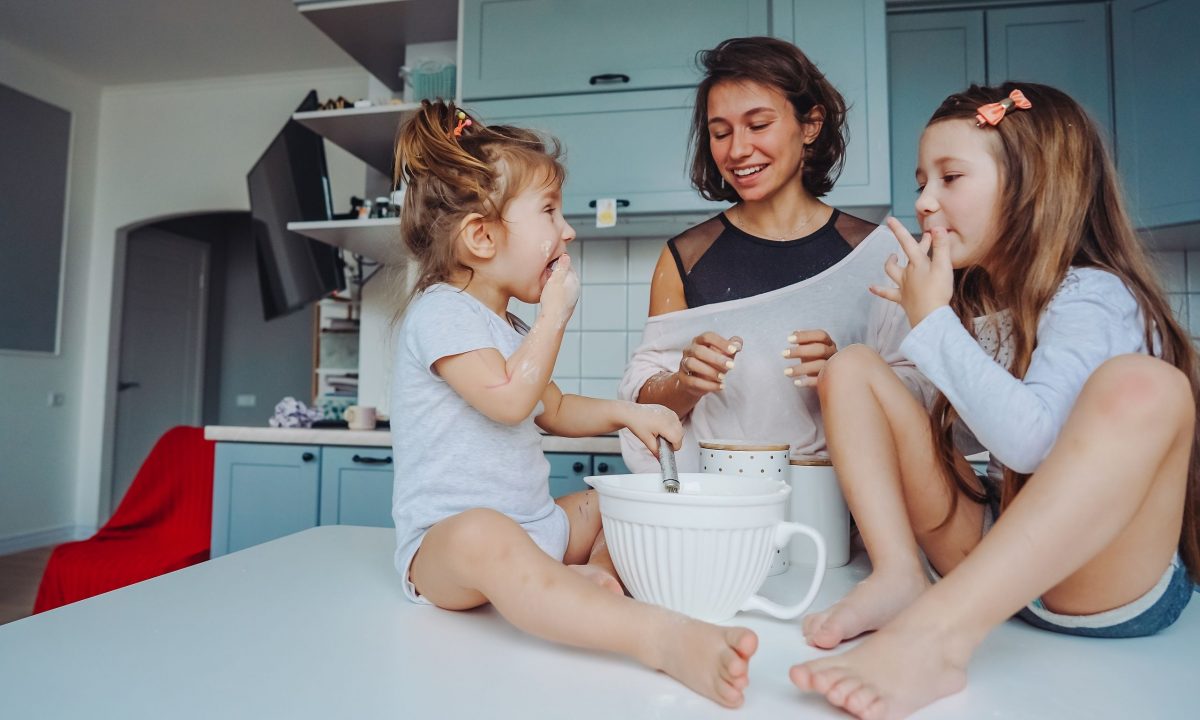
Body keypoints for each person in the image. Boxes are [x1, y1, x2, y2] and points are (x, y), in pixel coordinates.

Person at [791, 83, 1200, 720]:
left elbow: (1029, 442)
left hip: (1096, 581)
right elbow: (944, 440)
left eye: (951, 177)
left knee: (1148, 387)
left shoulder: (1092, 294)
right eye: (922, 180)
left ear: (1033, 187)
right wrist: (927, 325)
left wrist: (932, 326)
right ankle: (899, 577)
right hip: (995, 558)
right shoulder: (971, 303)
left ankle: (936, 636)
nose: (925, 201)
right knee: (852, 368)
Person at [388, 101, 758, 708]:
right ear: (481, 236)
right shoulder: (440, 313)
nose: (567, 231)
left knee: (612, 504)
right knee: (485, 532)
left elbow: (550, 406)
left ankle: (592, 594)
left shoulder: (505, 323)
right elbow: (511, 401)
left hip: (534, 529)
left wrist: (627, 413)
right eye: (550, 212)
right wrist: (555, 314)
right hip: (447, 550)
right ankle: (656, 638)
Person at [620, 37, 931, 470]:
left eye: (758, 125)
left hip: (845, 509)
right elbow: (641, 400)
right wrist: (684, 382)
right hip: (719, 509)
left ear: (810, 125)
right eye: (720, 132)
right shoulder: (683, 259)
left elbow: (927, 393)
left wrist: (848, 375)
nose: (737, 150)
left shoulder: (881, 255)